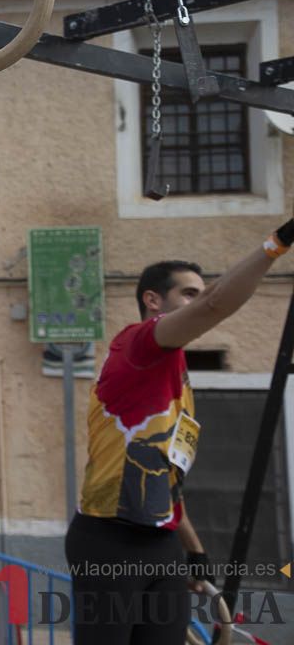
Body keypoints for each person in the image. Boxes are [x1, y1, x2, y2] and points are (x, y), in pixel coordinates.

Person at [66, 222, 294, 645]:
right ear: (153, 301)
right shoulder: (135, 345)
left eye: (198, 292)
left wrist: (195, 550)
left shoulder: (177, 379)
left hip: (162, 543)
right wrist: (277, 244)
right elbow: (214, 305)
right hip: (109, 539)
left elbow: (164, 479)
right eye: (188, 293)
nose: (201, 299)